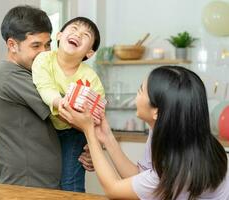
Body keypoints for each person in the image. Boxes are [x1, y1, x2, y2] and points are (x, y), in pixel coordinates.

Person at [59, 65, 229, 199]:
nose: (136, 95)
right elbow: (140, 177)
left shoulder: (177, 172)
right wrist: (107, 137)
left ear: (157, 112)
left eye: (141, 90)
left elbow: (113, 189)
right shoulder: (165, 133)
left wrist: (88, 130)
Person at [0, 5, 93, 189]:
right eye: (36, 45)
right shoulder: (9, 75)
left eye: (48, 44)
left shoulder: (36, 74)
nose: (44, 52)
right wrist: (96, 142)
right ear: (12, 45)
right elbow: (70, 110)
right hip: (27, 188)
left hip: (43, 186)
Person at [32, 17, 104, 192]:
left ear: (90, 53)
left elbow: (98, 113)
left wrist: (93, 144)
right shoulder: (43, 60)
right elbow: (45, 87)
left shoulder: (91, 77)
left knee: (70, 184)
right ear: (59, 35)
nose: (78, 35)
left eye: (85, 35)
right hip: (46, 130)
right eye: (74, 29)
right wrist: (60, 101)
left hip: (74, 133)